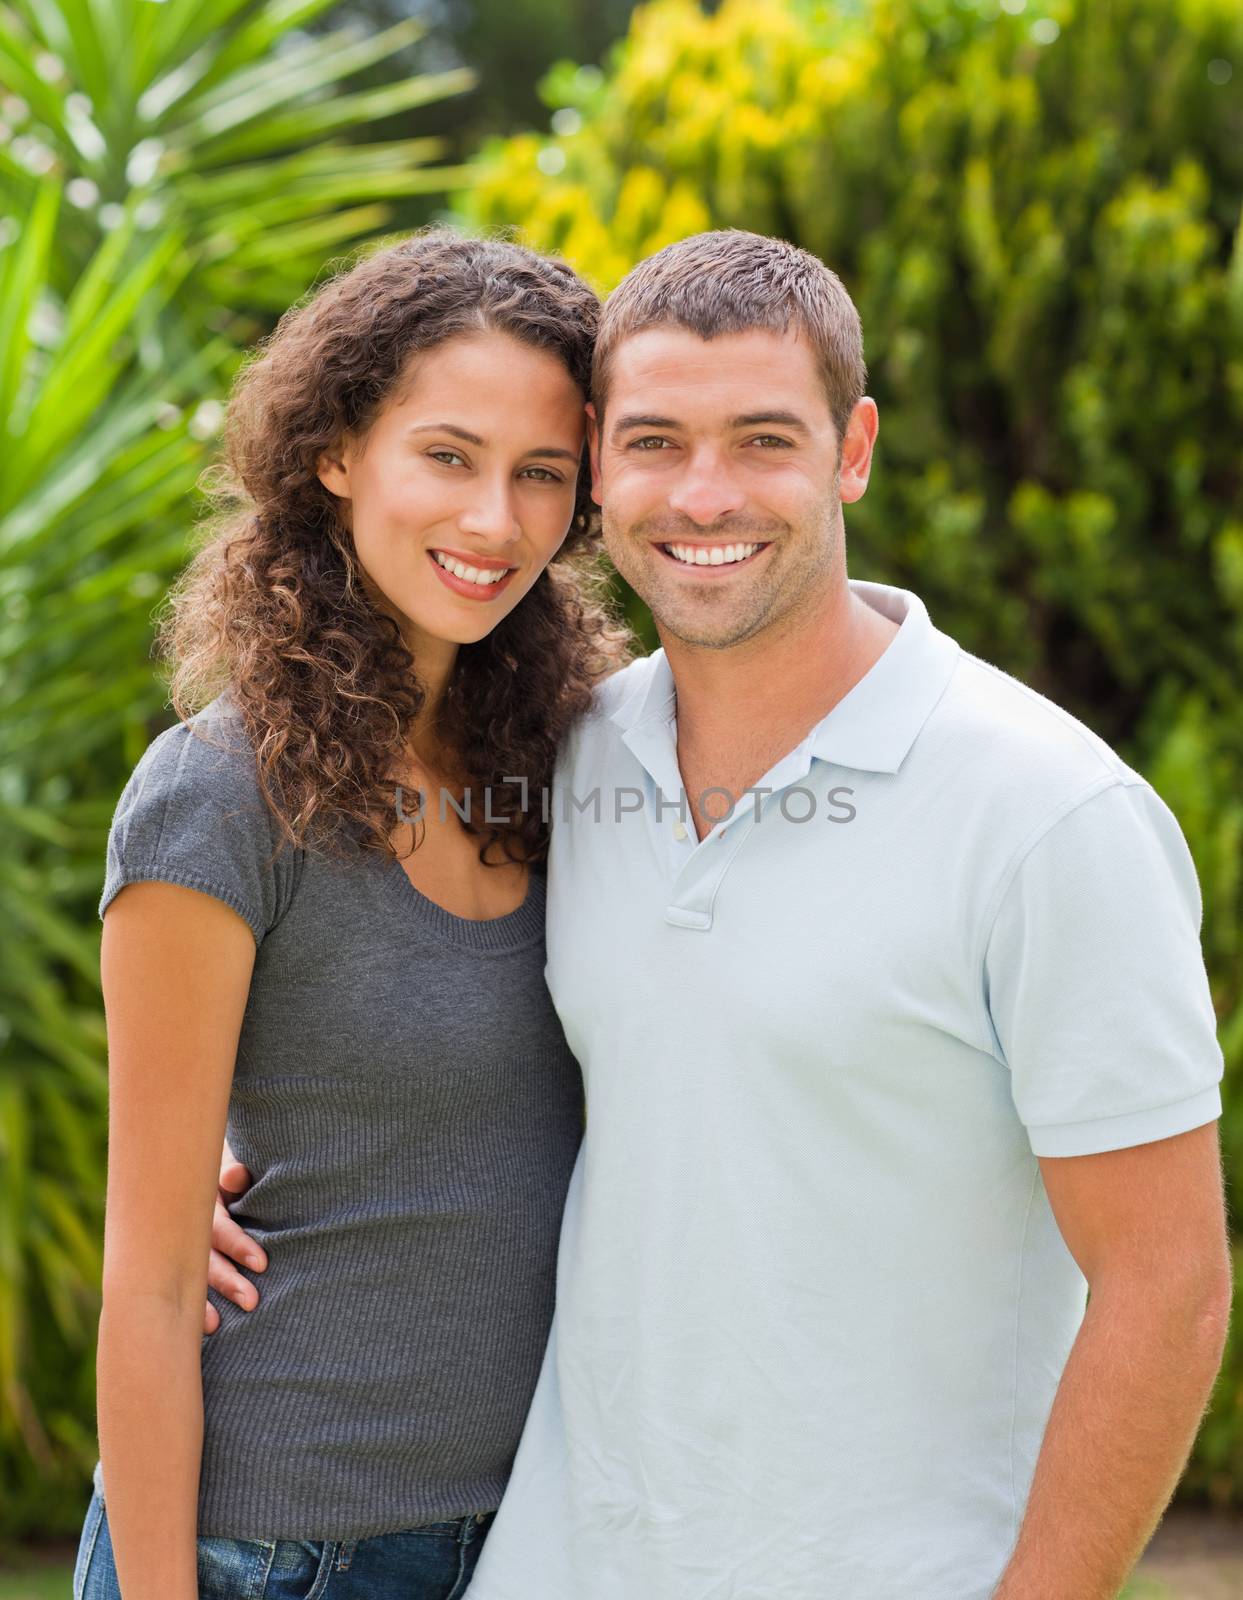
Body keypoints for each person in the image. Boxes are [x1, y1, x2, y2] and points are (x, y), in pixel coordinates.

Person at [213, 231, 1230, 1600]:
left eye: (762, 439)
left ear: (851, 449)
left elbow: (1168, 1285)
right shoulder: (565, 757)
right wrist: (222, 1154)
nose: (704, 494)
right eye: (652, 442)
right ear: (597, 464)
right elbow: (422, 999)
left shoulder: (1048, 815)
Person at [72, 229, 630, 1600]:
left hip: (527, 1534)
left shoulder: (568, 768)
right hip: (272, 1548)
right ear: (335, 450)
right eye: (447, 456)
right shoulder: (215, 795)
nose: (495, 521)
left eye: (542, 474)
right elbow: (146, 1291)